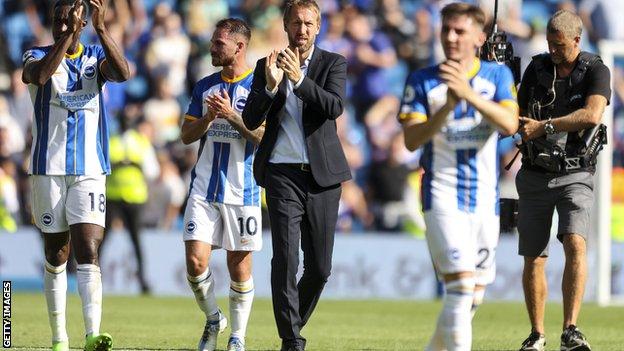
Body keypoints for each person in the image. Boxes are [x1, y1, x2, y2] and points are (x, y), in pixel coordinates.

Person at [399, 3, 518, 351]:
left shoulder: (497, 76)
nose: (450, 37)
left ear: (480, 37)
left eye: (460, 31)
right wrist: (447, 108)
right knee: (461, 289)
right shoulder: (422, 80)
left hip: (485, 200)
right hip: (442, 194)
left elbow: (510, 125)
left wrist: (467, 96)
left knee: (472, 298)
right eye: (446, 30)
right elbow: (411, 140)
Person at [242, 1, 351, 350]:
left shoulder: (333, 63)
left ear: (318, 27)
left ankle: (291, 321)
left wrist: (299, 80)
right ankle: (291, 339)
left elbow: (333, 106)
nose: (302, 30)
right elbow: (249, 119)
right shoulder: (266, 65)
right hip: (281, 174)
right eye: (296, 23)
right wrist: (272, 87)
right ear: (285, 26)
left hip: (322, 177)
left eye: (308, 23)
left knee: (320, 268)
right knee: (286, 259)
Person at [21, 0, 129, 350]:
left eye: (68, 22)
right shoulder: (35, 55)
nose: (61, 27)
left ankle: (92, 333)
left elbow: (124, 73)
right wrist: (68, 38)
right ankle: (58, 338)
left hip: (89, 170)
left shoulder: (95, 56)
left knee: (88, 249)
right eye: (57, 21)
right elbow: (38, 78)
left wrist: (100, 29)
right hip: (47, 168)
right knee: (56, 254)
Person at [515, 10, 610, 351]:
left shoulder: (597, 69)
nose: (553, 51)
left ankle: (570, 329)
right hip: (535, 172)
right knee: (534, 255)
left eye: (559, 45)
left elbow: (592, 114)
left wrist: (545, 126)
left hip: (576, 173)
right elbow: (517, 115)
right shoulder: (536, 68)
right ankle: (536, 334)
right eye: (549, 44)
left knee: (575, 242)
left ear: (576, 41)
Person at [180, 18, 264, 351]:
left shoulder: (260, 86)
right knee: (195, 261)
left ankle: (237, 337)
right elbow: (186, 135)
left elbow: (263, 137)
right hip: (203, 189)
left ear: (239, 46)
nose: (213, 48)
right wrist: (209, 118)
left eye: (219, 43)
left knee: (238, 266)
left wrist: (231, 116)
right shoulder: (204, 86)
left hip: (243, 189)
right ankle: (214, 319)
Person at [102, 114, 160, 295]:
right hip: (114, 196)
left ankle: (143, 280)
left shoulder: (140, 142)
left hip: (134, 198)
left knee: (135, 241)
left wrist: (129, 166)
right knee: (102, 240)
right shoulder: (112, 141)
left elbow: (152, 170)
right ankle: (92, 276)